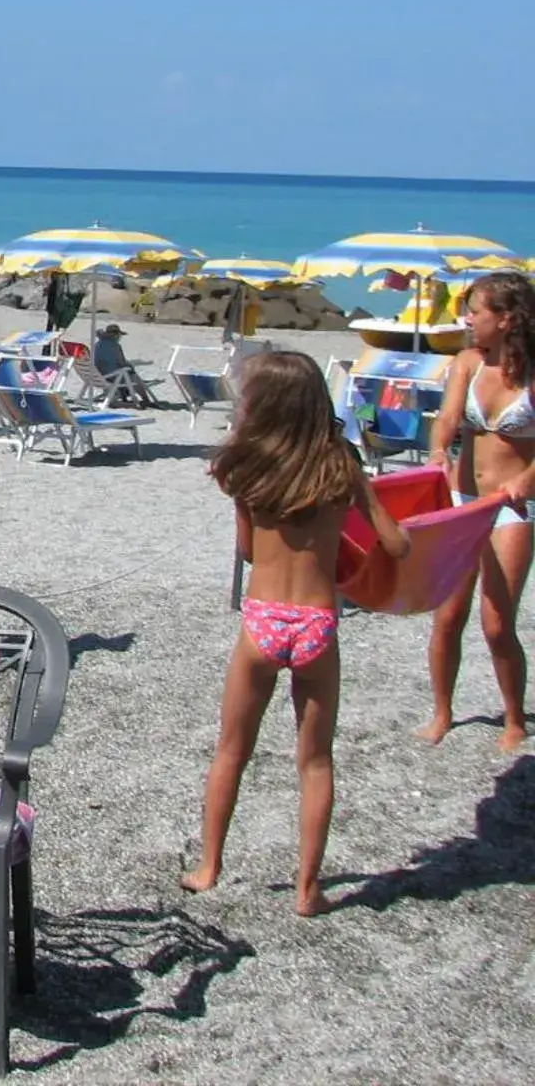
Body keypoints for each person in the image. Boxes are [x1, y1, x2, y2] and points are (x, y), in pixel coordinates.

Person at [182, 351, 410, 915]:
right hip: (318, 625)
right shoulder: (342, 469)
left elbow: (246, 550)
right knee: (315, 761)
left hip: (262, 621)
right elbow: (398, 544)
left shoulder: (245, 471)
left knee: (232, 750)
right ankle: (308, 889)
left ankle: (209, 866)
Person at [421, 271, 535, 750]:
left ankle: (513, 718)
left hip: (512, 507)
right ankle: (442, 712)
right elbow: (448, 418)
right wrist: (438, 453)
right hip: (462, 502)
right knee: (447, 615)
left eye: (475, 310)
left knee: (496, 621)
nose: (466, 318)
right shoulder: (465, 362)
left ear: (506, 319)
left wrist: (523, 483)